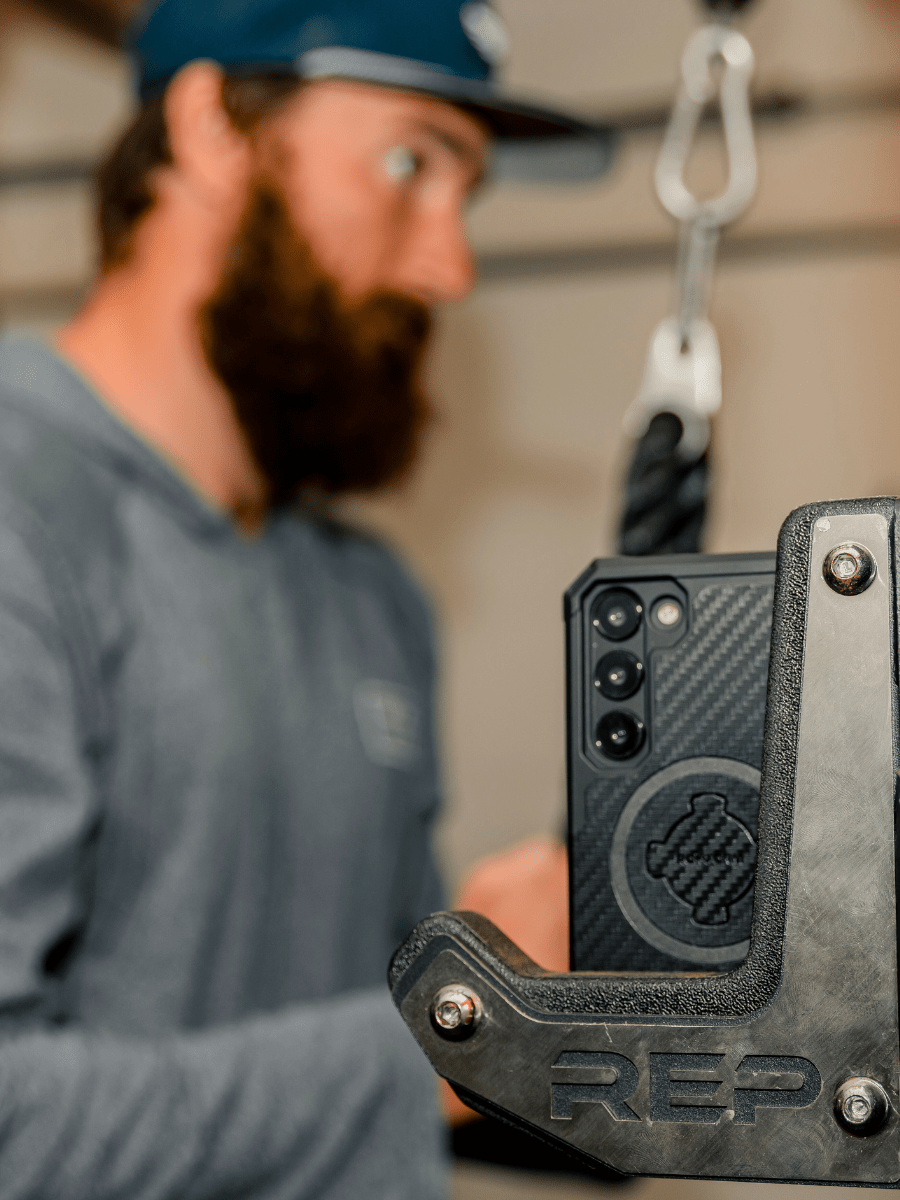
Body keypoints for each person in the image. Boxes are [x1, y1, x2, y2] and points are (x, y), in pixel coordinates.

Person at [0, 1, 591, 1196]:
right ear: (212, 122)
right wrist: (453, 1034)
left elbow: (386, 1068)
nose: (452, 263)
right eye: (409, 161)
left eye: (466, 192)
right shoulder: (23, 523)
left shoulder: (371, 597)